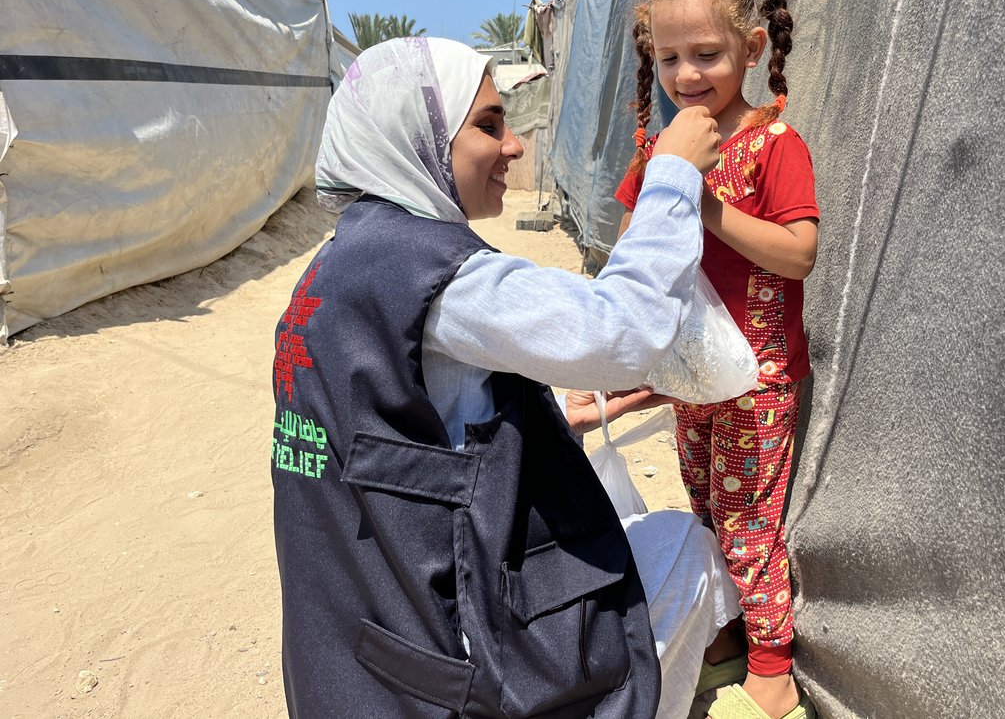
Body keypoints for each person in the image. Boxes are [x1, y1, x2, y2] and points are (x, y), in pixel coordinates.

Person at [270, 36, 739, 719]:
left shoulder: (339, 266)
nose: (515, 146)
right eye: (489, 125)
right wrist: (671, 175)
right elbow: (620, 330)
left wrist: (558, 420)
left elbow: (403, 440)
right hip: (446, 673)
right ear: (420, 141)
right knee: (686, 553)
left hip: (353, 656)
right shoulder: (435, 274)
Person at [613, 0, 819, 719]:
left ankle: (772, 671)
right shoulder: (659, 152)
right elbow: (631, 252)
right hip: (691, 375)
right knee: (704, 510)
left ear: (753, 48)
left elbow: (799, 253)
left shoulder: (774, 145)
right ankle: (726, 630)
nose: (687, 74)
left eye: (707, 54)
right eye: (670, 57)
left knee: (747, 522)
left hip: (756, 380)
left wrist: (703, 206)